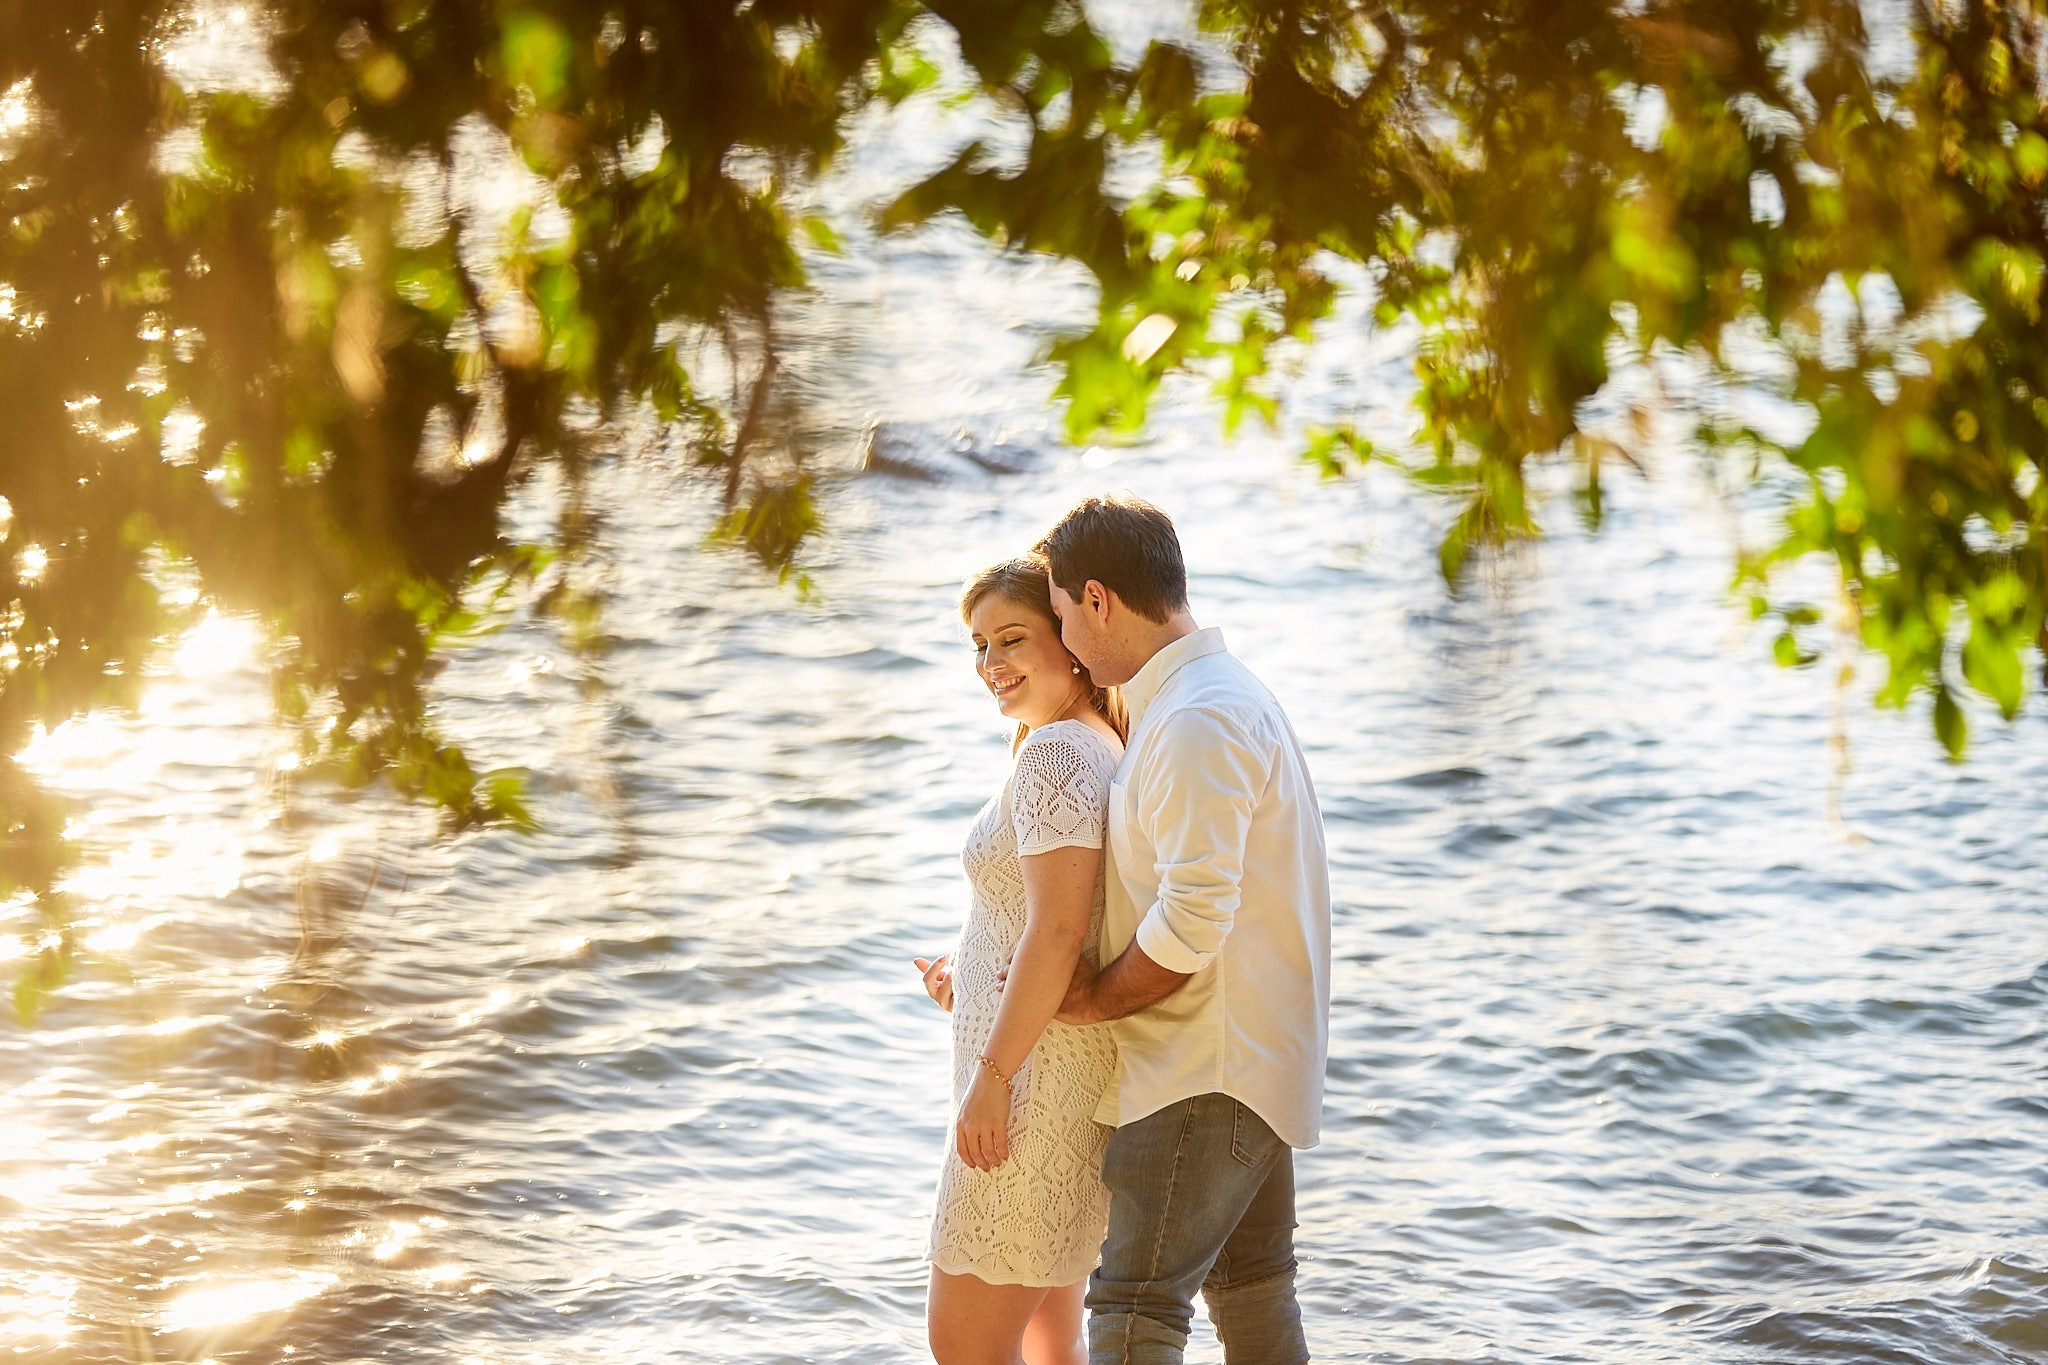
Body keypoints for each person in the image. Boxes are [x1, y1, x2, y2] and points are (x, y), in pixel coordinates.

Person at [1034, 494, 1331, 1365]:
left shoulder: (1198, 717)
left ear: (1099, 599)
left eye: (1060, 617)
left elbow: (1195, 916)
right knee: (1251, 1288)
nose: (1066, 644)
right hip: (1248, 1058)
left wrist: (1091, 1000)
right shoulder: (1212, 696)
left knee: (1132, 1307)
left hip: (1205, 1067)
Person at [915, 556, 1128, 1365]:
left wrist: (992, 1078)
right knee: (1048, 1346)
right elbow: (1052, 924)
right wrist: (965, 983)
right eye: (978, 646)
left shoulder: (1056, 757)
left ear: (1070, 640)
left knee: (965, 1348)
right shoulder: (1089, 742)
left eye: (1011, 638)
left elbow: (1057, 933)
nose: (991, 664)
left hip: (1027, 1092)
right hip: (1058, 1078)